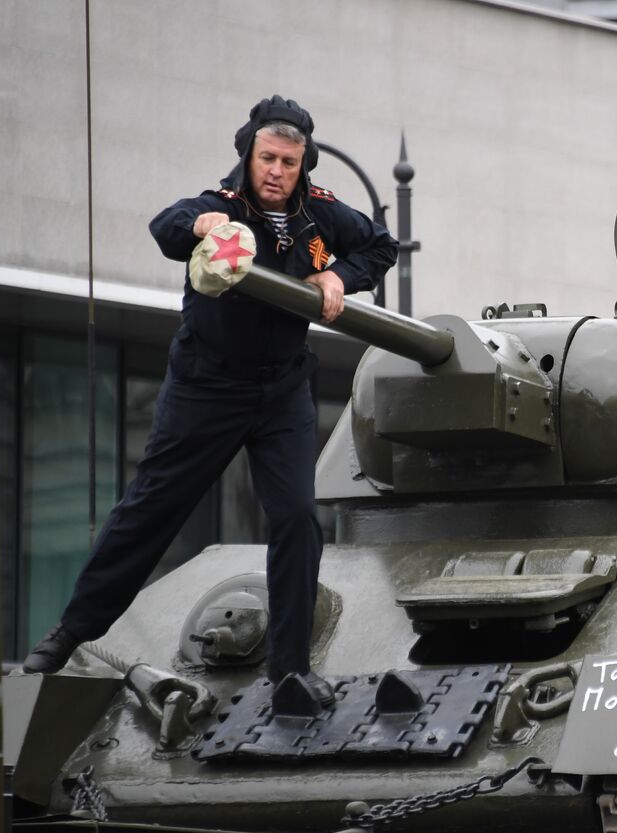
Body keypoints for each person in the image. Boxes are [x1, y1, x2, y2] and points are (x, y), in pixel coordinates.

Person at [23, 96, 398, 706]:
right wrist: (205, 229)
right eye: (268, 158)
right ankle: (72, 631)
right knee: (152, 509)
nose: (277, 171)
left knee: (299, 518)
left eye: (290, 161)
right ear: (249, 154)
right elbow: (167, 226)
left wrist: (338, 277)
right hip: (207, 386)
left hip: (280, 390)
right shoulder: (219, 207)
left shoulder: (323, 214)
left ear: (305, 164)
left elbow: (380, 247)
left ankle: (291, 670)